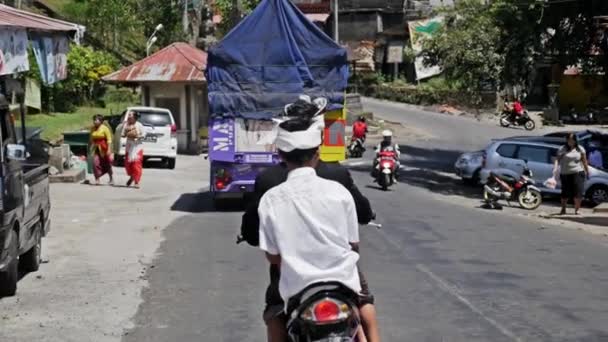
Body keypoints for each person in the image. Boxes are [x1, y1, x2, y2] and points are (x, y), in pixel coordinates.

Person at [248, 99, 380, 342]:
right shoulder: (338, 190)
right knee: (363, 299)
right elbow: (353, 244)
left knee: (274, 314)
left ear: (280, 153)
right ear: (317, 151)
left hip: (296, 287)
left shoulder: (271, 197)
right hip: (343, 281)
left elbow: (273, 257)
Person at [553, 133, 590, 215]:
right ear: (566, 140)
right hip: (565, 173)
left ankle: (577, 210)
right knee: (565, 192)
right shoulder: (562, 149)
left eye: (572, 139)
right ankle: (563, 209)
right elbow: (557, 160)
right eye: (569, 139)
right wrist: (555, 168)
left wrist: (587, 171)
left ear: (576, 140)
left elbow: (584, 161)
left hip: (578, 172)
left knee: (578, 191)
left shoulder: (580, 149)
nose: (571, 141)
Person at [121, 111, 145, 188]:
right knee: (128, 165)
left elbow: (144, 135)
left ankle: (136, 181)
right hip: (129, 147)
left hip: (137, 147)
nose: (129, 116)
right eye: (128, 115)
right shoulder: (126, 125)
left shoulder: (139, 125)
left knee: (136, 164)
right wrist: (126, 134)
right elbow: (122, 134)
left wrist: (137, 136)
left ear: (134, 117)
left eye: (130, 115)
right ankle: (132, 176)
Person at [90, 115, 114, 186]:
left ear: (101, 121)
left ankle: (111, 178)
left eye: (96, 120)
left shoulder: (105, 128)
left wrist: (109, 149)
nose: (95, 121)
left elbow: (109, 139)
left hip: (104, 148)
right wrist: (90, 146)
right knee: (95, 163)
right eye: (94, 120)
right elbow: (91, 138)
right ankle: (97, 179)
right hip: (95, 148)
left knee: (107, 164)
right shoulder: (92, 128)